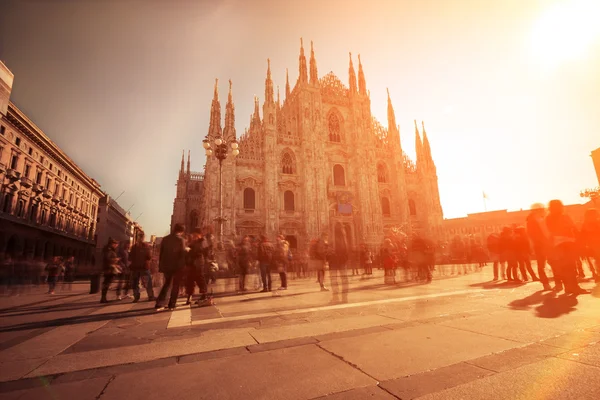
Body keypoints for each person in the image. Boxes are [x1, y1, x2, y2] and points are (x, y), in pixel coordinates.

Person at [545, 199, 588, 295]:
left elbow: (550, 231)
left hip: (557, 244)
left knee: (565, 267)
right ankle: (575, 287)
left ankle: (568, 288)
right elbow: (572, 227)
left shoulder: (548, 218)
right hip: (567, 242)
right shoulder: (563, 217)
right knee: (570, 266)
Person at [155, 223, 187, 311]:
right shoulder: (181, 240)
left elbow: (161, 253)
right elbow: (182, 254)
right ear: (181, 231)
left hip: (166, 266)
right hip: (177, 266)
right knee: (176, 285)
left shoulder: (165, 239)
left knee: (167, 284)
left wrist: (161, 265)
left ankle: (159, 303)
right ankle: (172, 304)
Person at [526, 203, 553, 290]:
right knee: (541, 265)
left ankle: (556, 281)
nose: (542, 211)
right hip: (540, 245)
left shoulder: (544, 218)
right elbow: (531, 234)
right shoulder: (531, 221)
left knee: (552, 262)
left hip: (547, 244)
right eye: (541, 210)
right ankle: (545, 283)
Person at [185, 228, 208, 304]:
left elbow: (201, 250)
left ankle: (204, 295)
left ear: (200, 235)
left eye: (195, 235)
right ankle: (189, 296)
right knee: (190, 280)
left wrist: (190, 250)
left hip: (198, 263)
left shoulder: (203, 241)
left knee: (200, 279)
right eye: (193, 235)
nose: (194, 236)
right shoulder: (194, 241)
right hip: (191, 263)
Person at [129, 231, 154, 302]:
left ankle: (136, 297)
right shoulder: (146, 246)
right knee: (148, 282)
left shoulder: (134, 247)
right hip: (144, 268)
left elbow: (130, 257)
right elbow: (149, 257)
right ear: (143, 237)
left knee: (135, 283)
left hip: (135, 268)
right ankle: (150, 296)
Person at [101, 238, 121, 303]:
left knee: (107, 282)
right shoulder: (109, 250)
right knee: (106, 283)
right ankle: (103, 298)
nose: (116, 245)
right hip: (109, 268)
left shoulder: (109, 250)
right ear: (112, 244)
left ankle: (103, 298)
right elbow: (108, 259)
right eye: (116, 244)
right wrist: (115, 260)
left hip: (109, 268)